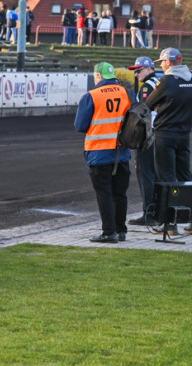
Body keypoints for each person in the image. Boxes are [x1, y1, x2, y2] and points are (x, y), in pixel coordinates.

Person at [74, 62, 133, 243]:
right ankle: (121, 230)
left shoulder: (90, 96)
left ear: (99, 77)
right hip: (121, 152)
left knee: (104, 193)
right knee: (120, 193)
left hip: (99, 153)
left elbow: (80, 125)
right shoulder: (127, 93)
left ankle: (108, 233)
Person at [143, 48, 192, 234]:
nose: (161, 66)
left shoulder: (167, 81)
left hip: (165, 135)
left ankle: (169, 224)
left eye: (162, 62)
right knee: (186, 177)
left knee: (167, 180)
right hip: (185, 134)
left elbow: (147, 104)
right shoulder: (191, 79)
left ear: (169, 62)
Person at [126, 56, 162, 226]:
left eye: (139, 70)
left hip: (149, 136)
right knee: (157, 174)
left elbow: (143, 113)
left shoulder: (148, 86)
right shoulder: (160, 82)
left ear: (149, 69)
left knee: (145, 174)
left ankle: (149, 213)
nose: (137, 73)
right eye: (135, 71)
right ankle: (158, 212)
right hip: (161, 134)